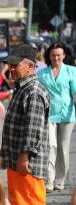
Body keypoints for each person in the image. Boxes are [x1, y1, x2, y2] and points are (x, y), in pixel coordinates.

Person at [0, 44, 50, 205]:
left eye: (15, 64)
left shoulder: (33, 90)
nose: (10, 68)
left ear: (30, 66)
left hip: (27, 163)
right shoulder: (23, 88)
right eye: (9, 64)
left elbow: (33, 128)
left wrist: (24, 156)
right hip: (17, 161)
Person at [38, 42, 76, 193]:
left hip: (67, 114)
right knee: (51, 147)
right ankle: (50, 180)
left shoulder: (72, 71)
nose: (56, 58)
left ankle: (60, 180)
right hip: (49, 115)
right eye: (53, 55)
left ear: (64, 56)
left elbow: (74, 93)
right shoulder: (42, 74)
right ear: (49, 56)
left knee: (63, 149)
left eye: (59, 55)